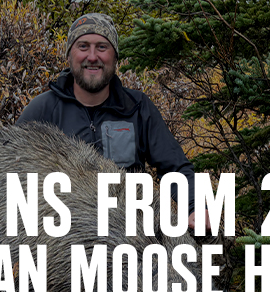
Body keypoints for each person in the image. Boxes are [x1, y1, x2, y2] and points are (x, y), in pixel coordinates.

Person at [17, 13, 209, 230]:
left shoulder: (137, 107)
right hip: (62, 236)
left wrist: (195, 207)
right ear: (69, 56)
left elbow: (175, 167)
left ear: (115, 57)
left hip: (131, 234)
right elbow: (11, 173)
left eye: (101, 47)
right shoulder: (42, 109)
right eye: (83, 46)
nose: (92, 56)